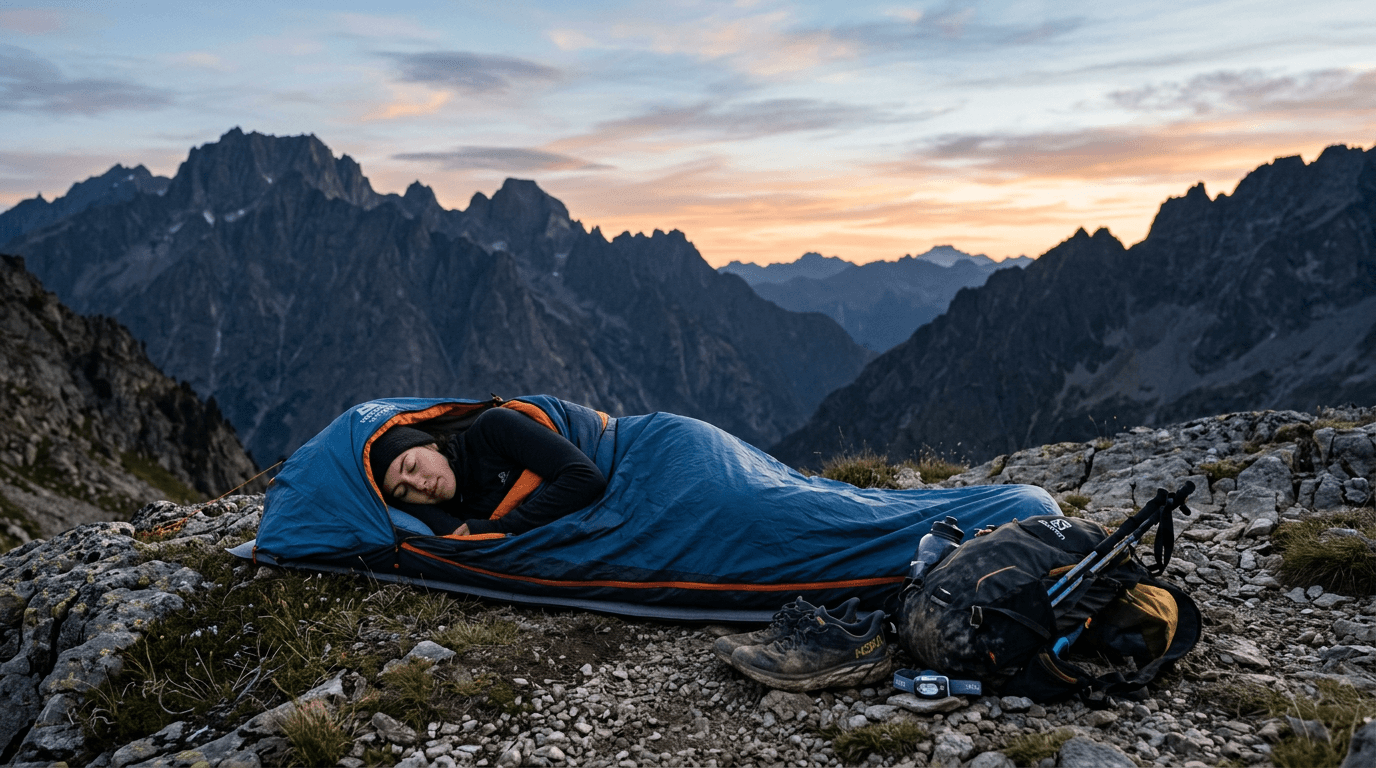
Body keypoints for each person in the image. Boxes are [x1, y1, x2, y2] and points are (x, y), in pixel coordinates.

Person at [369, 407, 606, 536]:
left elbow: (585, 477)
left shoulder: (491, 431)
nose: (419, 485)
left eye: (412, 466)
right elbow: (457, 539)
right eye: (403, 491)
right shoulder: (448, 511)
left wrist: (499, 528)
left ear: (429, 443)